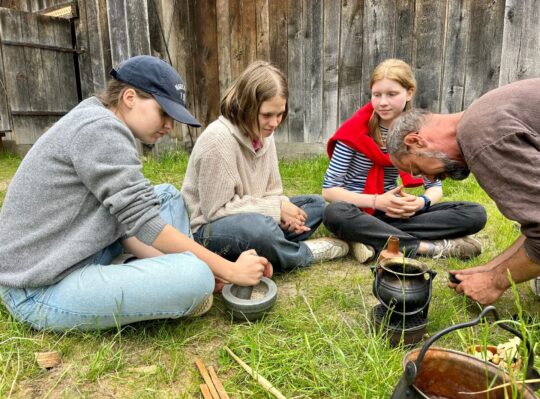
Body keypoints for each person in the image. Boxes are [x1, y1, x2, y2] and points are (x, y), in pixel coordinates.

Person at [0, 55, 269, 331]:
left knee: (167, 195)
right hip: (39, 285)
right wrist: (229, 269)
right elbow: (146, 224)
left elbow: (127, 222)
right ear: (130, 97)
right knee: (196, 277)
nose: (169, 125)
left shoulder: (97, 117)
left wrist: (187, 264)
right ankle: (178, 279)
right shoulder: (100, 130)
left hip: (72, 246)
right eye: (164, 113)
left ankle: (164, 274)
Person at [181, 60, 349, 275]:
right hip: (208, 229)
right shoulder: (218, 140)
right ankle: (303, 252)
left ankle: (273, 244)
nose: (275, 123)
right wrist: (277, 210)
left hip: (255, 216)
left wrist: (284, 213)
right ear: (246, 107)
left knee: (315, 205)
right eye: (267, 115)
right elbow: (216, 211)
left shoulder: (265, 136)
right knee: (261, 231)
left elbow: (273, 191)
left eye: (280, 114)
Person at [386, 78, 540, 305]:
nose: (429, 179)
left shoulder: (480, 138)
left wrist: (494, 281)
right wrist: (489, 268)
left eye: (418, 169)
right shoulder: (482, 114)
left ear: (415, 141)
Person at [322, 59, 486, 263]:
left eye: (392, 94)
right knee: (334, 213)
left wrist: (420, 203)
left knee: (474, 213)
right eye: (376, 95)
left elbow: (435, 187)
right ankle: (427, 248)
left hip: (392, 213)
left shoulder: (417, 131)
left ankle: (370, 237)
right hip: (357, 209)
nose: (382, 102)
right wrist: (376, 201)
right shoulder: (353, 131)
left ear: (409, 93)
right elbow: (329, 191)